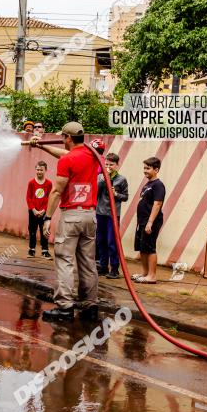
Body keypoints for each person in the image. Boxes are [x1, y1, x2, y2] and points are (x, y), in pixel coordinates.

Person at [28, 122, 98, 321]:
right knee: (87, 261)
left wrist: (48, 218)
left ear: (67, 138)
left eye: (63, 137)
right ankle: (90, 305)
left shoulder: (67, 161)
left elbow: (57, 191)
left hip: (71, 216)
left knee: (65, 260)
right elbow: (65, 155)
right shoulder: (92, 155)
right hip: (89, 216)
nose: (62, 140)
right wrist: (41, 145)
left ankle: (65, 307)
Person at [96, 153, 129, 279]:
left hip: (113, 215)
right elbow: (95, 193)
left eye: (111, 165)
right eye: (107, 165)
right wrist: (102, 182)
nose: (109, 167)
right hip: (100, 213)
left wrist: (116, 195)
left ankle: (114, 269)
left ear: (117, 165)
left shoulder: (121, 179)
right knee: (101, 241)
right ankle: (103, 267)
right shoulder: (100, 177)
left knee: (112, 242)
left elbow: (125, 197)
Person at [132, 157, 165, 284]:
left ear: (156, 170)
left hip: (151, 222)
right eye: (144, 168)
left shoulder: (158, 185)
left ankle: (152, 276)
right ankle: (145, 273)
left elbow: (157, 204)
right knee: (143, 248)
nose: (145, 171)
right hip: (142, 221)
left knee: (150, 248)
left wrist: (150, 222)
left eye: (148, 168)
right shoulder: (148, 184)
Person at [26, 161, 53, 259]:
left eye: (41, 170)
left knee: (44, 230)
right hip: (33, 211)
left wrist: (44, 210)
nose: (39, 172)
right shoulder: (31, 183)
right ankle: (31, 250)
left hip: (44, 212)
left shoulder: (49, 183)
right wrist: (33, 210)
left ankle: (45, 251)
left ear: (45, 170)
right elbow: (28, 197)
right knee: (32, 230)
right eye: (37, 169)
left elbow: (50, 198)